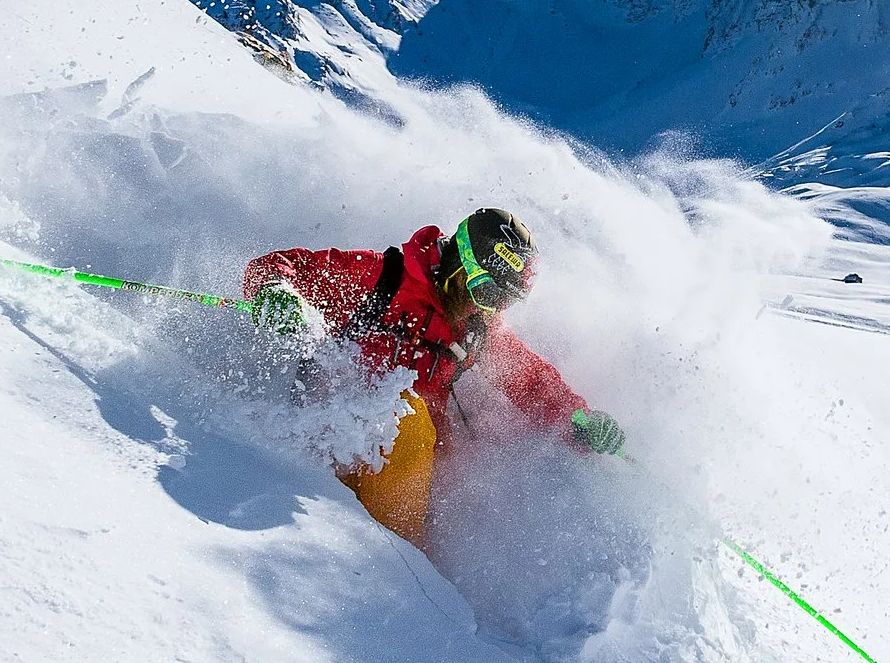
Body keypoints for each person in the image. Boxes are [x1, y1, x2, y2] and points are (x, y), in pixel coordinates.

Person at [240, 207, 625, 547]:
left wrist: (577, 419)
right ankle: (392, 564)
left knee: (459, 464)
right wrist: (276, 291)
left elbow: (529, 380)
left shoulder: (477, 328)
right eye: (485, 290)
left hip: (408, 476)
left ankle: (421, 576)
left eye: (502, 301)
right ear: (459, 264)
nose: (485, 307)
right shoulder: (382, 279)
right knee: (409, 419)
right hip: (333, 444)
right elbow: (277, 266)